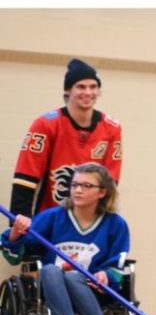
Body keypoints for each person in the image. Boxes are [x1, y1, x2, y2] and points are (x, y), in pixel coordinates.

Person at [2, 163, 129, 315]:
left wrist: (106, 274)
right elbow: (20, 249)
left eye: (86, 186)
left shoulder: (116, 225)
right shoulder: (52, 217)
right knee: (51, 270)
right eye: (74, 184)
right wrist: (16, 233)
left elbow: (118, 263)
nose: (78, 190)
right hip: (52, 288)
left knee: (73, 276)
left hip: (92, 290)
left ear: (102, 192)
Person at [10, 58, 123, 218]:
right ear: (68, 90)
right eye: (81, 87)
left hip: (89, 221)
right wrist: (19, 223)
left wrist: (103, 221)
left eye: (93, 87)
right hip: (50, 219)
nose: (88, 93)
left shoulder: (111, 128)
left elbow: (110, 183)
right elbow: (26, 176)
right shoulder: (45, 124)